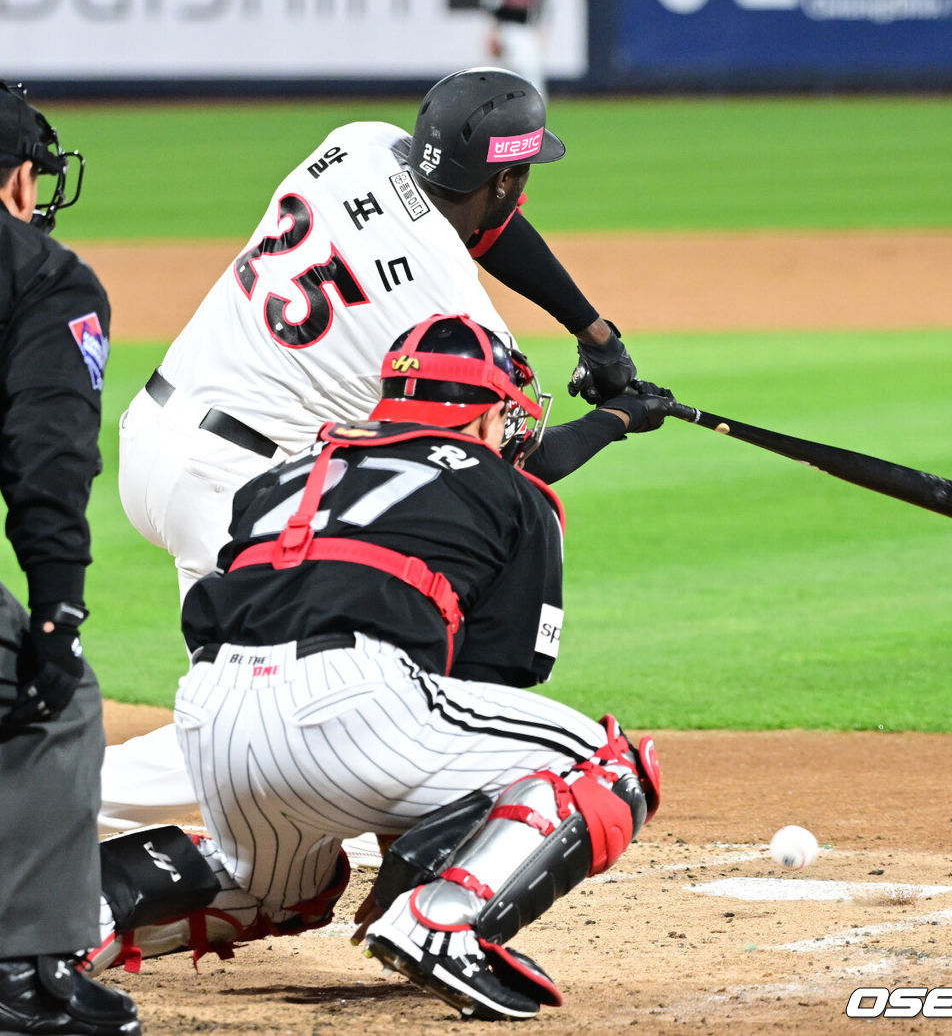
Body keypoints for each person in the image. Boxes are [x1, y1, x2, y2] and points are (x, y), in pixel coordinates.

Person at [101, 66, 652, 838]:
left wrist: (594, 331)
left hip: (155, 433)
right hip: (234, 486)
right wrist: (619, 417)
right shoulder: (452, 308)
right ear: (509, 179)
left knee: (244, 702)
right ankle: (52, 795)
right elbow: (497, 462)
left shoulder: (357, 146)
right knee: (252, 722)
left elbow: (477, 221)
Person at [87, 315, 663, 1022]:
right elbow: (480, 691)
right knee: (605, 765)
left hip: (210, 713)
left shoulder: (287, 474)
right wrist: (416, 866)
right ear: (486, 412)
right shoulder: (516, 494)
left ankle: (70, 916)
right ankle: (446, 918)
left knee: (273, 888)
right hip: (355, 704)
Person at [0, 81, 142, 1036]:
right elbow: (47, 457)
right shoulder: (42, 274)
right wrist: (56, 612)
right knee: (53, 704)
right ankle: (21, 974)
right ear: (17, 177)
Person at [479, 0, 547, 99]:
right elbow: (493, 11)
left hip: (524, 30)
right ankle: (495, 105)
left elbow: (540, 12)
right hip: (504, 29)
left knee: (530, 68)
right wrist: (493, 34)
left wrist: (539, 32)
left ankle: (536, 104)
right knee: (499, 70)